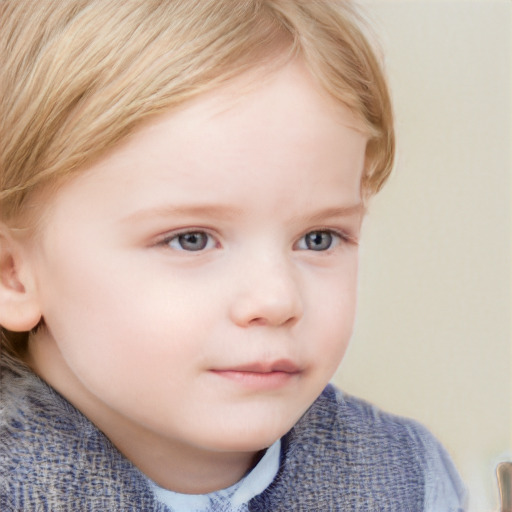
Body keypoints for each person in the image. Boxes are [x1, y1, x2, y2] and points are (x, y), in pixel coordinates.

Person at [0, 1, 467, 510]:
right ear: (13, 275)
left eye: (319, 238)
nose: (277, 298)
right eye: (191, 239)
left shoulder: (407, 478)